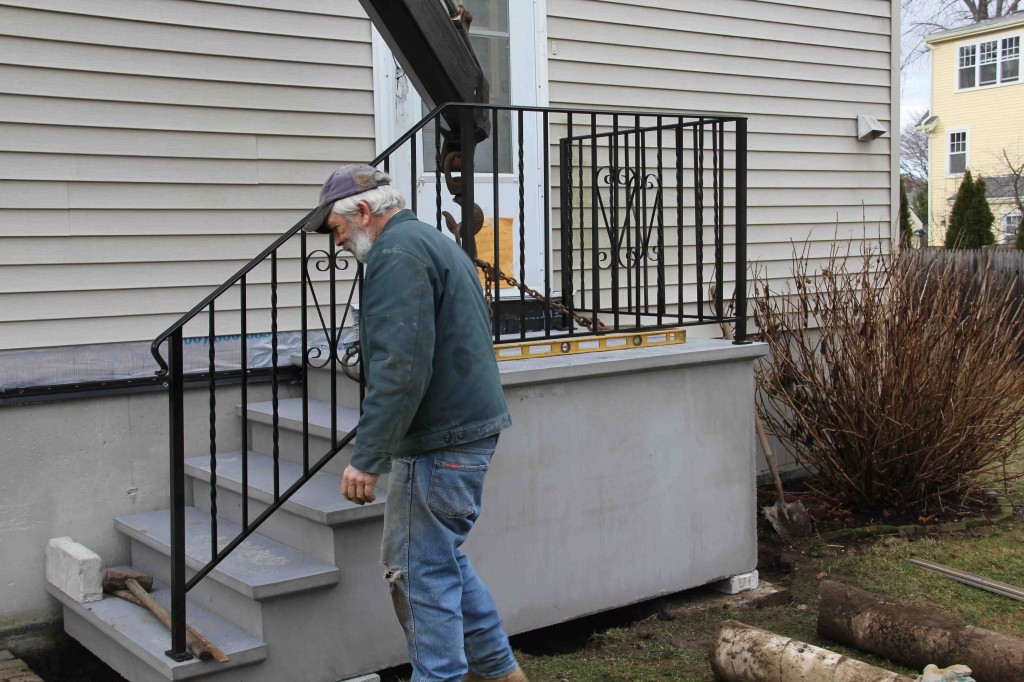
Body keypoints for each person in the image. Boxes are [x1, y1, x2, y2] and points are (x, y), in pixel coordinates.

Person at [302, 165, 527, 682]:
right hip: (465, 431)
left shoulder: (395, 255)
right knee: (440, 560)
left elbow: (399, 369)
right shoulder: (430, 241)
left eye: (336, 230)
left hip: (438, 441)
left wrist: (368, 457)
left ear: (362, 211)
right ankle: (503, 674)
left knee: (419, 574)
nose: (337, 244)